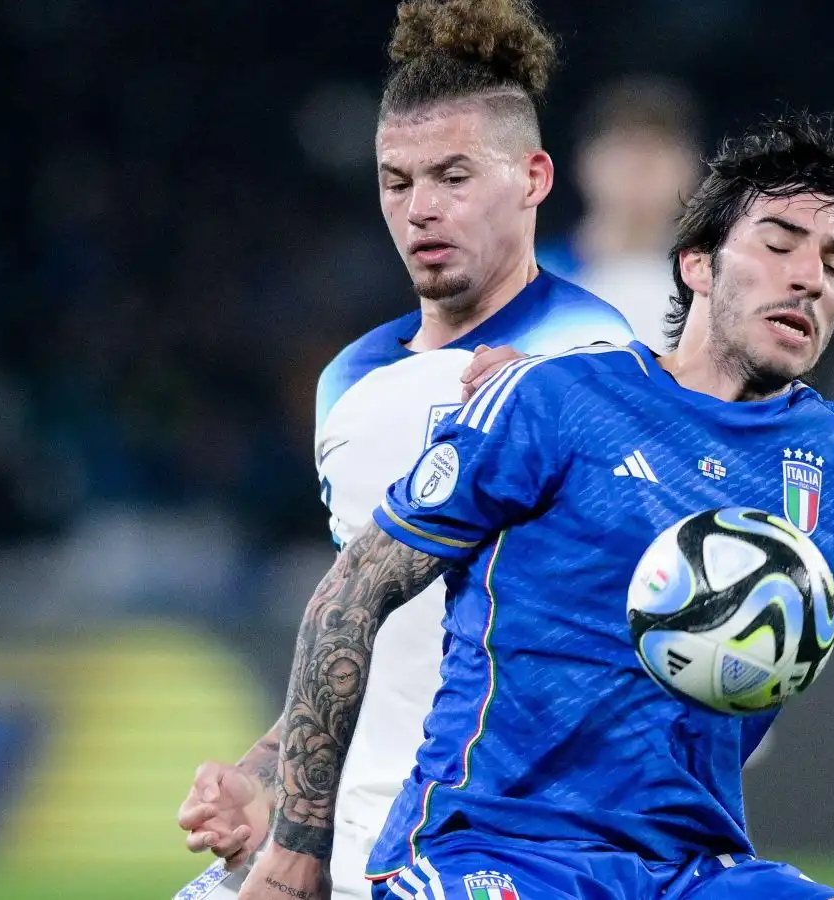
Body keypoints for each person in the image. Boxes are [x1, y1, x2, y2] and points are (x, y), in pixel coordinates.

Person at [236, 111, 834, 900]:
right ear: (696, 265)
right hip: (495, 850)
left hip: (693, 870)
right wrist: (295, 848)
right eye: (781, 243)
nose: (809, 277)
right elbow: (354, 594)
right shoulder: (551, 400)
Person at [170, 2, 634, 899]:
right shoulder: (348, 381)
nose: (421, 209)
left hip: (492, 852)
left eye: (454, 176)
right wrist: (264, 779)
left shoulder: (591, 357)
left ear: (534, 177)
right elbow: (375, 632)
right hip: (333, 836)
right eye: (397, 181)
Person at [538, 75, 704, 351]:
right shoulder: (528, 276)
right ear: (584, 162)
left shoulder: (715, 286)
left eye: (658, 149)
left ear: (691, 168)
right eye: (624, 146)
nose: (639, 165)